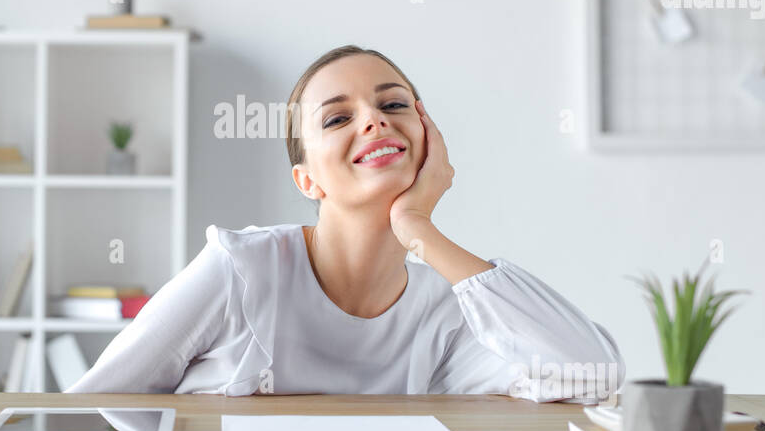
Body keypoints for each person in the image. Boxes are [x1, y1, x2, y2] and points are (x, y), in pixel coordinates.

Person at [67, 45, 624, 401]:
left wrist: (421, 231)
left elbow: (592, 373)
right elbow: (97, 404)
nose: (376, 120)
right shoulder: (239, 268)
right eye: (338, 117)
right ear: (307, 180)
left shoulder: (446, 313)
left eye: (396, 105)